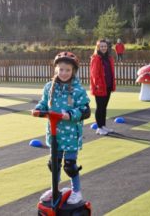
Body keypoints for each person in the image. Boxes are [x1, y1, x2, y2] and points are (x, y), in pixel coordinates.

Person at [34, 51, 91, 204]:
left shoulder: (78, 90)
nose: (64, 73)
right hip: (54, 133)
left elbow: (85, 110)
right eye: (61, 69)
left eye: (68, 70)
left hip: (71, 134)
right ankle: (55, 189)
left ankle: (77, 191)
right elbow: (44, 103)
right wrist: (38, 109)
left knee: (70, 166)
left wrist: (71, 115)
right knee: (54, 164)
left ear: (73, 71)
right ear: (56, 70)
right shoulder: (49, 87)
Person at [90, 39, 116, 135]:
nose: (103, 48)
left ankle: (103, 126)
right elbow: (94, 74)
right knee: (100, 107)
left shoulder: (109, 58)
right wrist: (98, 85)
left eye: (105, 46)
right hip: (100, 87)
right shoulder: (96, 58)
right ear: (98, 47)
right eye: (101, 46)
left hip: (108, 86)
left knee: (104, 107)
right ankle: (99, 128)